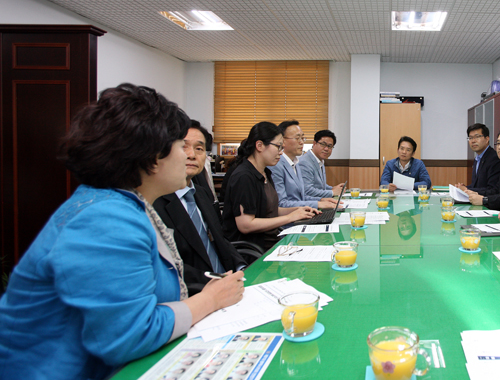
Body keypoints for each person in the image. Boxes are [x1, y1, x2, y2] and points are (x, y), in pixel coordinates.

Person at [0, 84, 243, 380]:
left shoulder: (122, 204)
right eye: (182, 146)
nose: (189, 157)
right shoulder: (105, 219)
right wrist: (210, 299)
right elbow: (126, 337)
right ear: (152, 156)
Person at [154, 120, 247, 295]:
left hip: (231, 283)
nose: (191, 155)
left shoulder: (202, 194)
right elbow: (170, 268)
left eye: (199, 149)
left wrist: (241, 266)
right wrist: (218, 283)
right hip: (198, 293)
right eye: (184, 147)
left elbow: (221, 240)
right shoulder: (154, 202)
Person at [222, 122, 318, 251]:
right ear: (260, 145)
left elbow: (269, 210)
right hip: (255, 248)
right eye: (278, 147)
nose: (281, 152)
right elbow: (246, 225)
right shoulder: (244, 177)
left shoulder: (265, 172)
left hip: (271, 241)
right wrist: (290, 217)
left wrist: (299, 210)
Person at [269, 120, 338, 209]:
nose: (302, 142)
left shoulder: (295, 163)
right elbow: (281, 204)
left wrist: (321, 200)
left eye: (302, 138)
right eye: (297, 138)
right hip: (290, 219)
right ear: (282, 141)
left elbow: (301, 197)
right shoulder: (276, 165)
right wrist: (318, 204)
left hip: (301, 214)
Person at [298, 129, 345, 198]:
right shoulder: (304, 162)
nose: (326, 149)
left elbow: (320, 186)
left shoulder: (320, 160)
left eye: (329, 146)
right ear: (314, 144)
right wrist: (332, 192)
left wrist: (333, 188)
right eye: (323, 144)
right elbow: (307, 190)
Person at [458, 123, 500, 192]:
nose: (473, 141)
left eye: (477, 137)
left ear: (487, 139)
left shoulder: (495, 158)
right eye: (470, 138)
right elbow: (476, 186)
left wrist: (467, 190)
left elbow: (492, 189)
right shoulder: (478, 158)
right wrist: (462, 188)